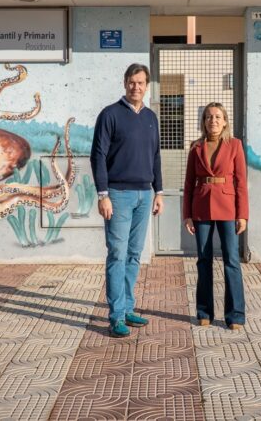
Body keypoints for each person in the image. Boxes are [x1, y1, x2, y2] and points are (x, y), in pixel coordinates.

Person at [91, 63, 164, 338]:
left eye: (141, 83)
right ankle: (116, 316)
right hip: (118, 195)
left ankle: (128, 307)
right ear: (125, 83)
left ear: (147, 85)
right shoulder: (110, 115)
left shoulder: (151, 117)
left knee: (134, 254)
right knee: (117, 254)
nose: (136, 87)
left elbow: (155, 156)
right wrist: (103, 195)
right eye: (132, 82)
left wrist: (159, 192)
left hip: (145, 195)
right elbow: (98, 155)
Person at [182, 102, 248, 330]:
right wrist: (187, 215)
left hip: (228, 207)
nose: (213, 121)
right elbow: (189, 183)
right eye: (209, 117)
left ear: (225, 121)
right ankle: (204, 312)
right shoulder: (196, 147)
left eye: (218, 117)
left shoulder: (235, 145)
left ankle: (235, 315)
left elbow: (241, 182)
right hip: (201, 208)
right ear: (204, 121)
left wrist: (242, 215)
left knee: (231, 260)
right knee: (203, 260)